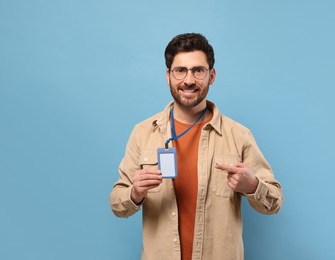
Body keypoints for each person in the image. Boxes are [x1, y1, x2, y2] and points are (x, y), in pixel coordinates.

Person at [109, 33, 283, 260]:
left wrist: (253, 186)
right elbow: (117, 203)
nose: (188, 80)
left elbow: (274, 203)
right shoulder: (143, 133)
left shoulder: (239, 136)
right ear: (168, 76)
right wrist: (135, 193)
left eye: (198, 70)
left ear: (211, 75)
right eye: (180, 70)